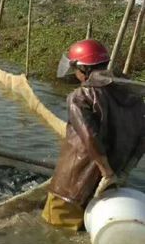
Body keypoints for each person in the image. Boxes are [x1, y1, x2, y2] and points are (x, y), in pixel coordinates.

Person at [42, 39, 145, 230]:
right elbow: (141, 139)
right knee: (95, 228)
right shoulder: (132, 96)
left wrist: (106, 173)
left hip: (74, 184)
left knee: (55, 231)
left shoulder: (81, 96)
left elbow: (89, 137)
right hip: (112, 184)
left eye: (76, 68)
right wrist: (120, 173)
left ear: (83, 69)